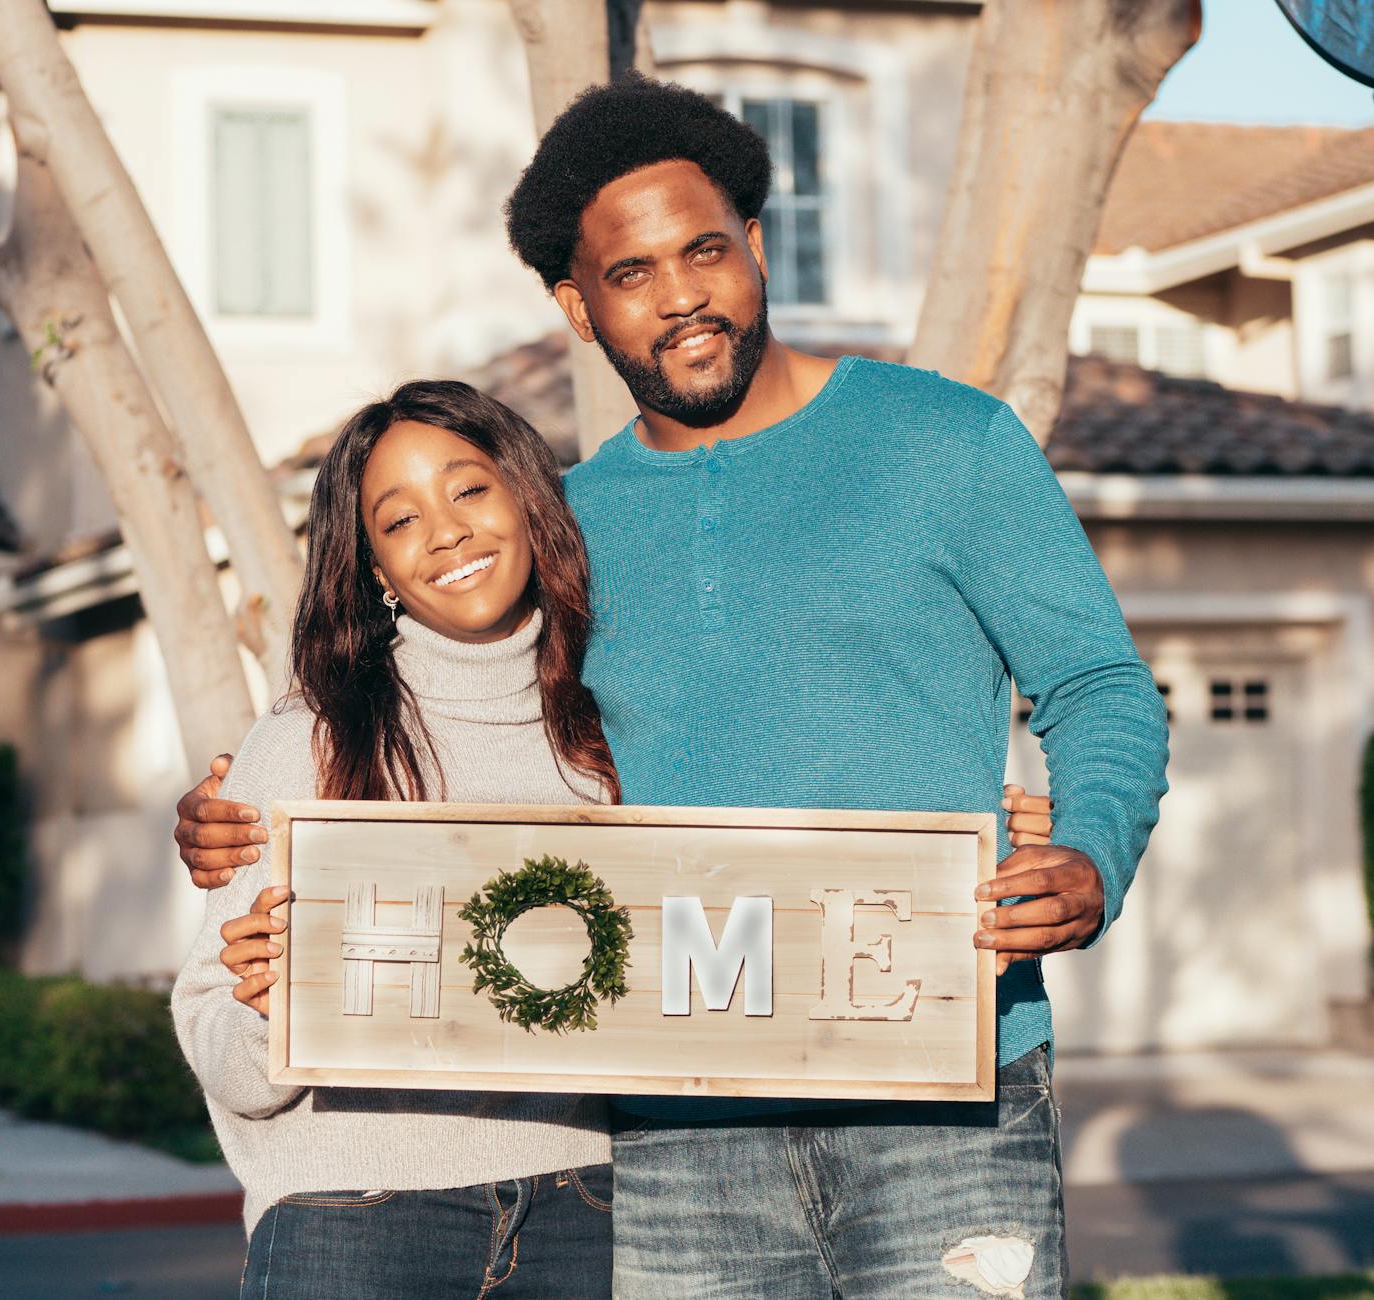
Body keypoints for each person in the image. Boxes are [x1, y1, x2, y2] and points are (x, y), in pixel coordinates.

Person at [176, 75, 1162, 1300]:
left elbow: (1097, 682)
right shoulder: (563, 526)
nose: (680, 294)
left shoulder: (948, 444)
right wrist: (243, 812)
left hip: (943, 1082)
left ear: (754, 243)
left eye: (703, 249)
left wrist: (1085, 850)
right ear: (577, 308)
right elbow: (410, 681)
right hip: (669, 1123)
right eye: (630, 273)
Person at [171, 381, 621, 1299]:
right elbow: (222, 1040)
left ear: (528, 502)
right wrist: (266, 1010)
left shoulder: (619, 730)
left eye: (468, 490)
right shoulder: (312, 736)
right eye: (400, 519)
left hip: (588, 1212)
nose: (446, 532)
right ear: (373, 565)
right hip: (354, 1214)